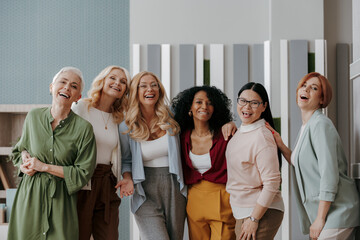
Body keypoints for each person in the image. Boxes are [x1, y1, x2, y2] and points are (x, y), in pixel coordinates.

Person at [266, 72, 360, 240]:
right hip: (329, 213)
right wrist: (280, 144)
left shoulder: (320, 125)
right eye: (304, 86)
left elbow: (329, 175)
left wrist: (320, 218)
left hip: (338, 211)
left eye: (314, 88)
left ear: (322, 99)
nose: (306, 89)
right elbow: (297, 161)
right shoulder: (307, 126)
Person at [7, 67, 97, 240]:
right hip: (29, 197)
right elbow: (19, 151)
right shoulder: (33, 117)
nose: (66, 88)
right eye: (62, 82)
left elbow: (82, 173)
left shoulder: (84, 129)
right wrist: (24, 162)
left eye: (73, 86)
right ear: (51, 87)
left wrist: (44, 167)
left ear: (78, 97)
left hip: (61, 202)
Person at [119, 71, 187, 240]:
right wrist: (127, 178)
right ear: (135, 91)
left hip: (174, 186)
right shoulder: (126, 125)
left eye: (154, 85)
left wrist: (228, 123)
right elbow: (126, 160)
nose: (150, 89)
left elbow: (202, 122)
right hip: (143, 189)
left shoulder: (173, 116)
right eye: (143, 85)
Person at [72, 65, 134, 240]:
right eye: (112, 78)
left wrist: (127, 177)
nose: (117, 83)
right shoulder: (81, 107)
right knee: (79, 235)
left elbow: (126, 155)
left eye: (123, 82)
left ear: (125, 91)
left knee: (109, 236)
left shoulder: (120, 118)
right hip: (83, 181)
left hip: (108, 183)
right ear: (103, 80)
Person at [171, 85, 236, 240]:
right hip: (194, 201)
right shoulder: (181, 137)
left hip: (223, 199)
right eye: (198, 102)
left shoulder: (225, 135)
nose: (204, 106)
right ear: (190, 107)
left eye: (210, 103)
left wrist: (233, 125)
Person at [226, 82, 284, 240]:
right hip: (243, 211)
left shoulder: (262, 137)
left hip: (259, 212)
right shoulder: (240, 132)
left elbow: (272, 182)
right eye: (243, 101)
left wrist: (254, 219)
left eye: (254, 103)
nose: (247, 107)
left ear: (264, 107)